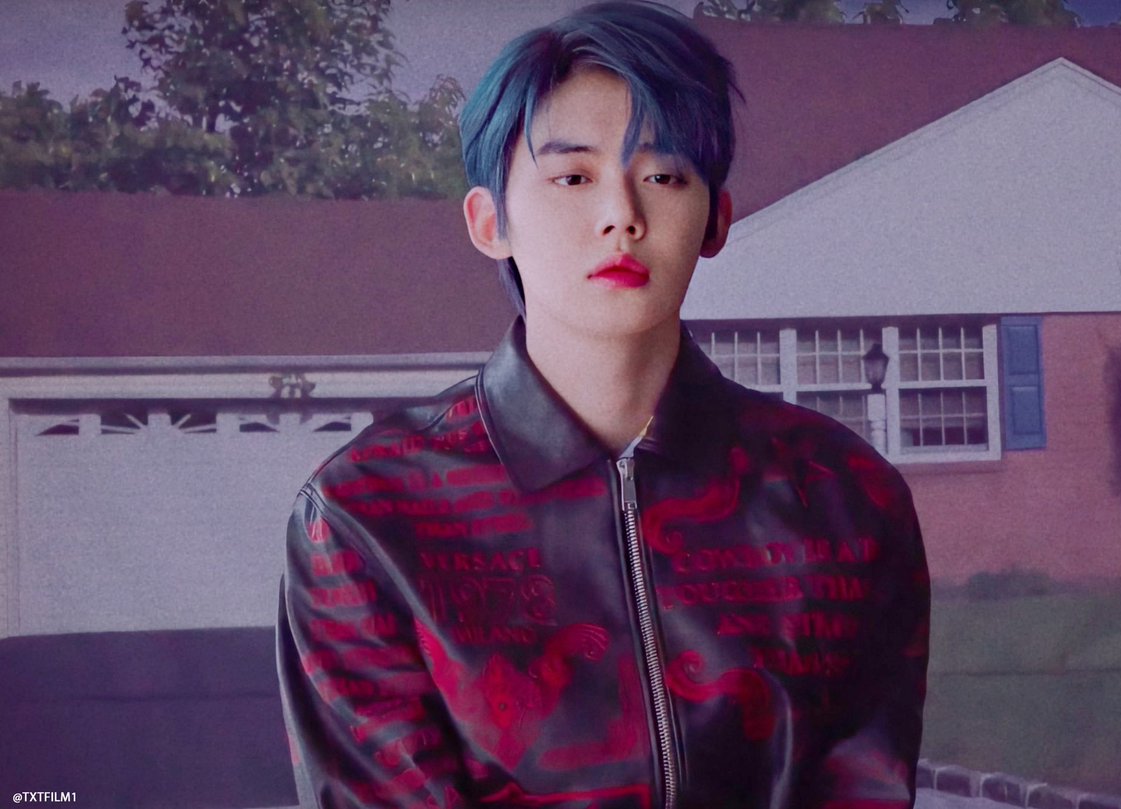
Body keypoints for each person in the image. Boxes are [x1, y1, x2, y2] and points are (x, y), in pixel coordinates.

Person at [276, 2, 930, 807]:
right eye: (573, 177)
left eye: (663, 176)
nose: (622, 214)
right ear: (490, 221)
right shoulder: (365, 515)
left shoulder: (842, 495)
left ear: (716, 219)